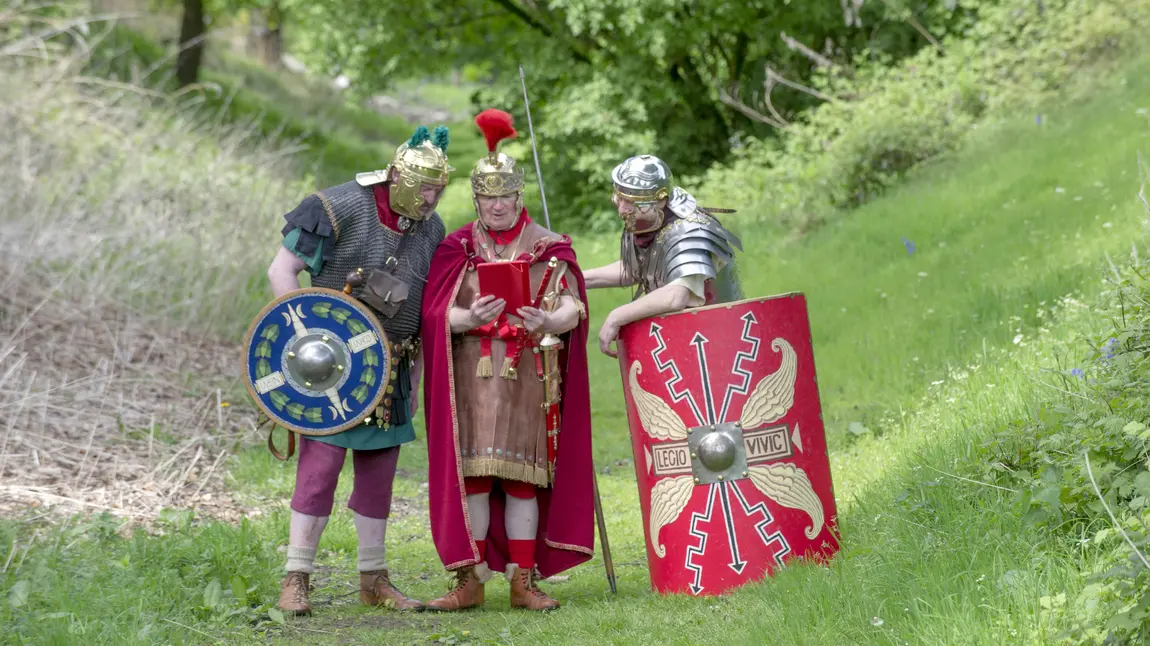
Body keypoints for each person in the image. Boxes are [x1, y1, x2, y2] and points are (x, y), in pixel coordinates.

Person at [265, 125, 452, 615]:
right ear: (399, 178)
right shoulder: (338, 205)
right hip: (330, 366)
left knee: (378, 475)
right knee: (320, 468)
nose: (432, 199)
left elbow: (427, 308)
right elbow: (281, 270)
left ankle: (373, 579)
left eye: (439, 189)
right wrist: (300, 335)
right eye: (425, 188)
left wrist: (414, 376)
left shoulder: (432, 231)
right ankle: (296, 576)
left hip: (390, 368)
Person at [420, 109, 595, 612]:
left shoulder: (548, 246)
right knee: (473, 477)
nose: (496, 206)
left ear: (519, 196)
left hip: (529, 379)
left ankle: (523, 581)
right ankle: (469, 581)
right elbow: (435, 316)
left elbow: (571, 307)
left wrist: (548, 323)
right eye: (487, 197)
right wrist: (467, 316)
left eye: (505, 196)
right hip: (470, 381)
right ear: (476, 199)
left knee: (522, 478)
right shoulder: (456, 247)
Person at [582, 154, 743, 357]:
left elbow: (676, 295)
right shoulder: (649, 223)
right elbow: (637, 269)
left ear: (661, 200)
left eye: (632, 202)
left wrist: (617, 316)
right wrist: (578, 278)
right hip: (685, 341)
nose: (622, 210)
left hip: (723, 344)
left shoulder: (691, 230)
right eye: (620, 198)